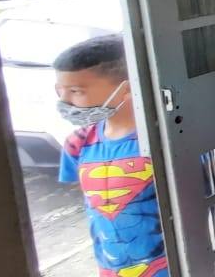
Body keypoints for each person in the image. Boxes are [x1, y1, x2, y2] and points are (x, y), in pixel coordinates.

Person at [55, 34, 168, 277]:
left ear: (126, 89)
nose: (64, 102)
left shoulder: (165, 143)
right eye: (59, 91)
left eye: (76, 91)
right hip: (110, 269)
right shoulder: (78, 143)